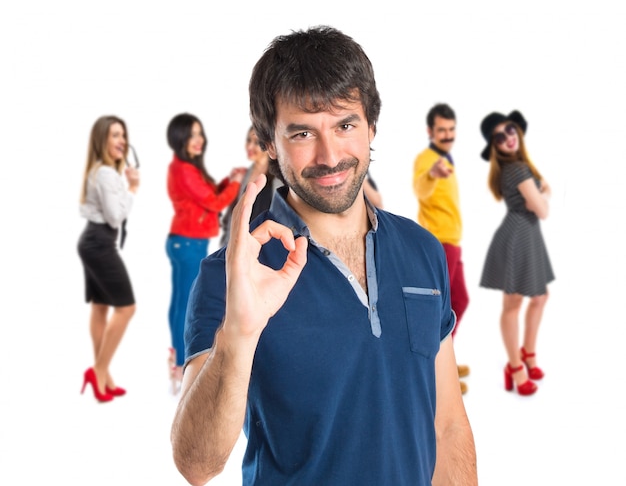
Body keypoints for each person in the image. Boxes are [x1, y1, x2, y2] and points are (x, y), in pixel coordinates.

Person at [171, 26, 477, 485]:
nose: (330, 154)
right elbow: (196, 465)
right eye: (302, 133)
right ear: (269, 144)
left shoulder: (421, 250)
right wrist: (239, 332)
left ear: (371, 124)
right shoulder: (234, 273)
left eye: (345, 125)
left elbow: (448, 425)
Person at [165, 113, 246, 393]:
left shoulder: (185, 168)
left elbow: (206, 193)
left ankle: (175, 358)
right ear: (180, 138)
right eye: (192, 135)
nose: (198, 140)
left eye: (200, 134)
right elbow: (213, 202)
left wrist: (228, 180)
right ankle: (179, 365)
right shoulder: (183, 170)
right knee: (185, 303)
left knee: (179, 301)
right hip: (188, 242)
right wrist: (235, 184)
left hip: (184, 241)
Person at [479, 110, 554, 396]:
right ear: (495, 146)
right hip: (518, 236)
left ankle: (528, 353)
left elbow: (537, 205)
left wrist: (540, 189)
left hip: (527, 234)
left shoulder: (520, 167)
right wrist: (544, 191)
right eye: (499, 136)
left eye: (510, 130)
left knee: (540, 296)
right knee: (513, 305)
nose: (508, 137)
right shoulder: (518, 170)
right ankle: (515, 366)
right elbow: (543, 210)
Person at [77, 115, 139, 403]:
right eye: (115, 135)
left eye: (123, 135)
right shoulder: (106, 174)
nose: (121, 141)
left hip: (92, 240)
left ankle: (104, 375)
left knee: (101, 306)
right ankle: (98, 371)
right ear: (102, 140)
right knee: (126, 308)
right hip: (100, 242)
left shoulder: (100, 171)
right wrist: (133, 189)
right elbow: (115, 217)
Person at [412, 103, 470, 394]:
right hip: (439, 242)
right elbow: (420, 188)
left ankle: (446, 360)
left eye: (451, 129)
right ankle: (434, 374)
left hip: (453, 242)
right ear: (430, 132)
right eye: (441, 130)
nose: (447, 135)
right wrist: (432, 175)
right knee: (438, 310)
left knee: (459, 300)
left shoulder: (447, 158)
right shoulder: (428, 159)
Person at [219, 126, 281, 248]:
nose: (250, 147)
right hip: (238, 243)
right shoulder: (243, 175)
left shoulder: (280, 177)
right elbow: (233, 211)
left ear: (269, 145)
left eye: (256, 143)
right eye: (248, 140)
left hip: (265, 247)